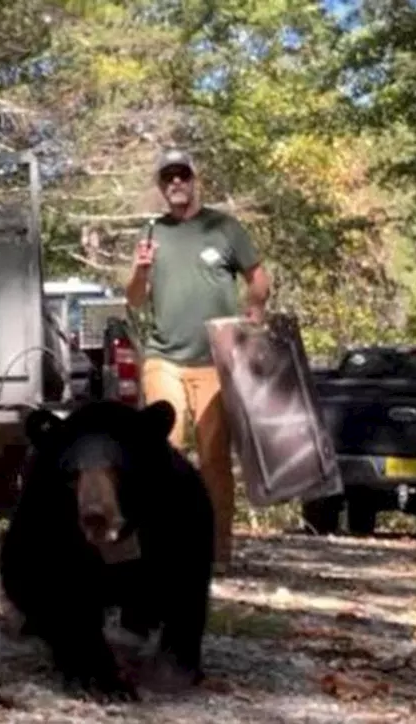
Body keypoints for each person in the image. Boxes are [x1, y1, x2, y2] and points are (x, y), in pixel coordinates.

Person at [125, 149, 271, 573]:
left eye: (181, 175)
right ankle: (162, 545)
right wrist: (138, 270)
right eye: (167, 177)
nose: (175, 183)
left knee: (212, 457)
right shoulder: (152, 232)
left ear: (194, 179)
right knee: (162, 450)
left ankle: (218, 548)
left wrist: (255, 312)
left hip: (214, 361)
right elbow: (135, 299)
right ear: (160, 186)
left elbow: (257, 277)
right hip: (163, 357)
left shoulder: (223, 228)